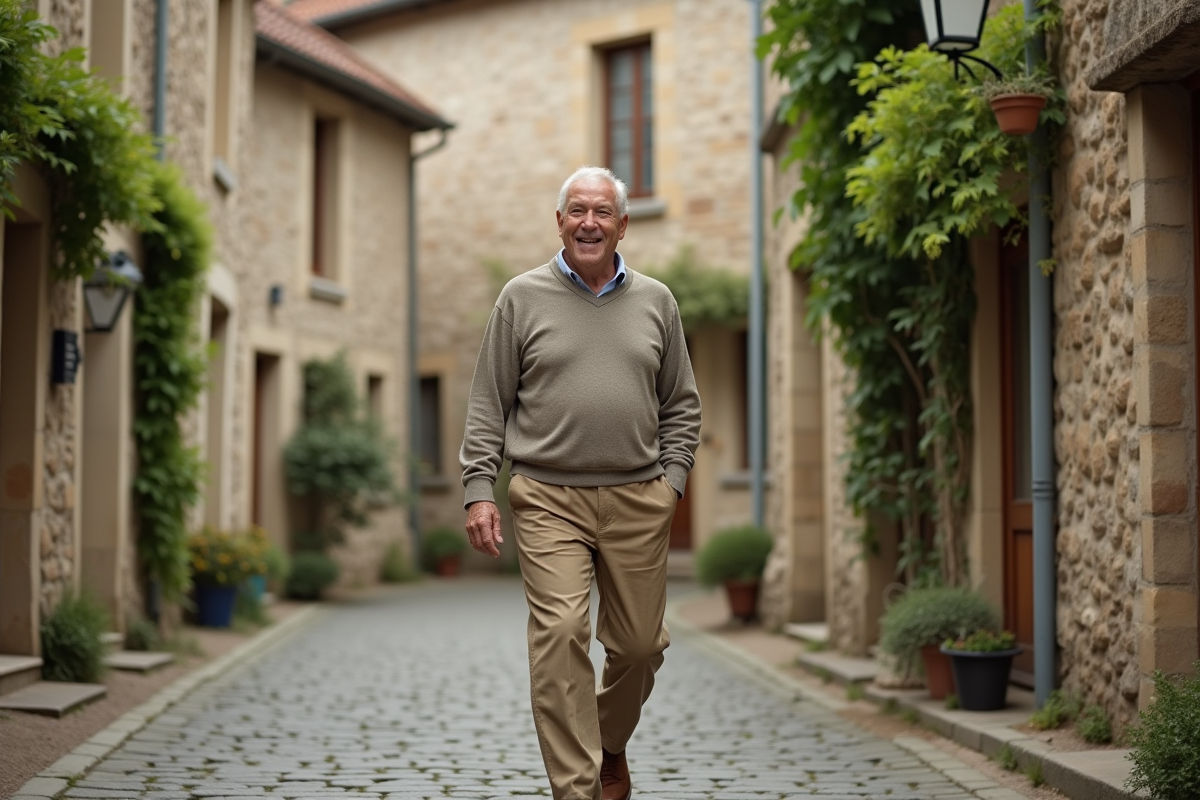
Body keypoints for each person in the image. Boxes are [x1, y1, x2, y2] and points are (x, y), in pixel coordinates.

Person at [460, 166, 702, 800]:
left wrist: (671, 482)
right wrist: (478, 488)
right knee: (561, 633)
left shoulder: (657, 302)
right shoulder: (520, 298)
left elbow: (682, 402)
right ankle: (578, 790)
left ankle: (610, 743)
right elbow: (490, 400)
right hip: (545, 495)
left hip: (638, 496)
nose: (588, 222)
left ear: (623, 225)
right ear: (560, 221)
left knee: (641, 647)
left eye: (602, 212)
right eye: (576, 211)